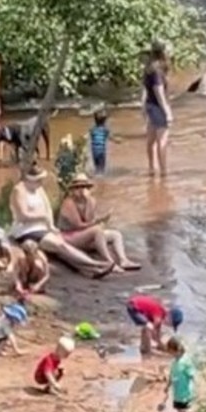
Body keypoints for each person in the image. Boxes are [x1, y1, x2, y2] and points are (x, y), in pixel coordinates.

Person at [8, 165, 115, 278]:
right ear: (31, 180)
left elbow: (48, 209)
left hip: (43, 228)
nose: (41, 183)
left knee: (62, 247)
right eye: (39, 180)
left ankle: (90, 270)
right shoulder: (19, 191)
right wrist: (42, 217)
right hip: (26, 231)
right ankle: (95, 264)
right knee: (60, 246)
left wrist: (51, 226)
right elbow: (23, 216)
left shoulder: (39, 189)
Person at [57, 173, 141, 271]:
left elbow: (89, 220)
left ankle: (123, 260)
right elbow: (79, 225)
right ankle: (109, 262)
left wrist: (88, 202)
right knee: (97, 230)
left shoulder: (91, 201)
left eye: (84, 187)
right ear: (72, 190)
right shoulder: (68, 203)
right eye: (77, 188)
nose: (81, 190)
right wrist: (98, 221)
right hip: (69, 236)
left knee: (115, 234)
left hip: (84, 235)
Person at [141, 41, 173, 177]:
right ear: (162, 52)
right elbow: (158, 91)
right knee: (162, 141)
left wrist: (143, 107)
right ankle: (163, 171)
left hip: (150, 105)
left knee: (151, 140)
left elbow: (144, 90)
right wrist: (167, 112)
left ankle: (152, 168)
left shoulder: (148, 68)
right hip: (158, 107)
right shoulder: (157, 70)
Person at [159, 337, 195, 412]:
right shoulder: (175, 362)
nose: (170, 355)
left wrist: (191, 390)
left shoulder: (186, 361)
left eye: (171, 352)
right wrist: (168, 386)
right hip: (178, 393)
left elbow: (192, 376)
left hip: (184, 392)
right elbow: (172, 375)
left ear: (177, 350)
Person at [89, 110, 112, 175]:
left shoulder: (92, 129)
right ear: (104, 122)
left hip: (94, 151)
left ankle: (96, 176)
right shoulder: (105, 130)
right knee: (102, 167)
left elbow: (91, 137)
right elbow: (110, 137)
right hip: (101, 151)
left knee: (96, 166)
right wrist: (118, 140)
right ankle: (101, 179)